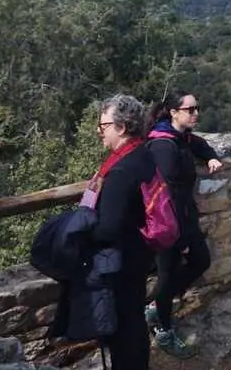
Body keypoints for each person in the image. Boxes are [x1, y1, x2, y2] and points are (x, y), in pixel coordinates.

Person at [145, 91, 223, 358]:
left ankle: (157, 306)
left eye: (196, 108)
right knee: (167, 278)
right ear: (174, 112)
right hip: (167, 225)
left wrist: (211, 155)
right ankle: (163, 329)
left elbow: (198, 143)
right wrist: (180, 239)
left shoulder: (180, 137)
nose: (196, 113)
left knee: (201, 261)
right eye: (190, 109)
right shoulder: (163, 146)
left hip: (183, 219)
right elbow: (166, 196)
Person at [87, 94, 158, 369]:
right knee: (134, 322)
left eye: (103, 125)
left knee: (122, 330)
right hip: (140, 254)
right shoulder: (143, 154)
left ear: (122, 127)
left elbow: (108, 228)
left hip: (120, 261)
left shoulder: (120, 171)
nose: (99, 131)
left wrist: (81, 234)